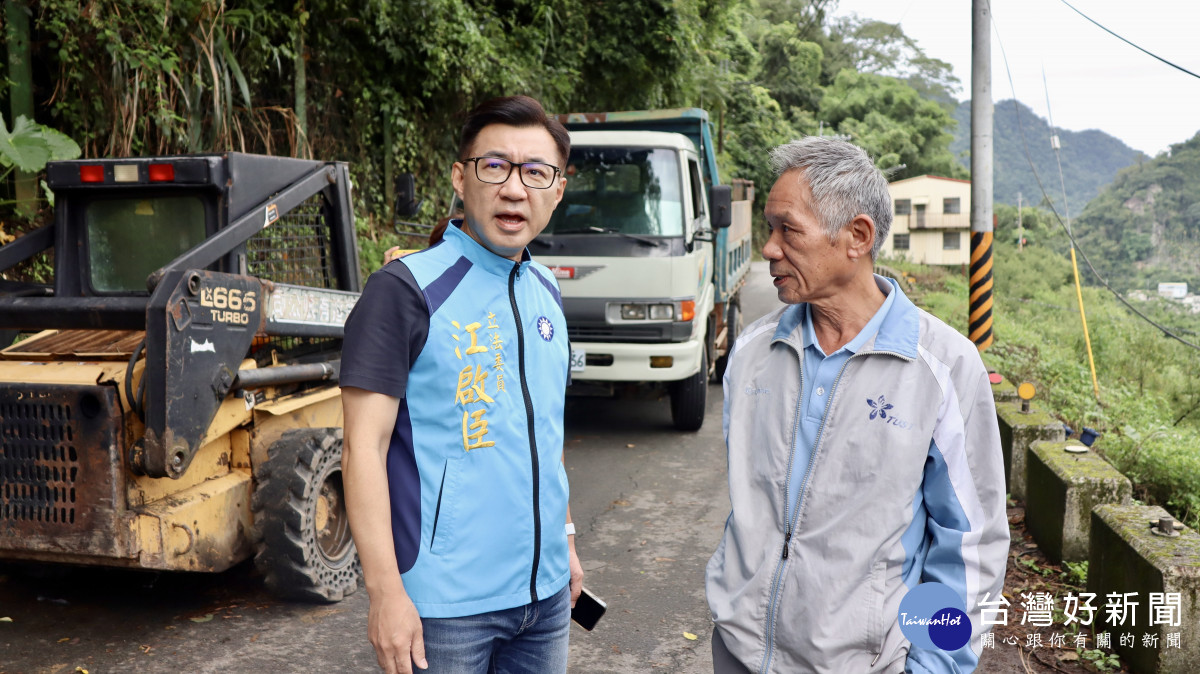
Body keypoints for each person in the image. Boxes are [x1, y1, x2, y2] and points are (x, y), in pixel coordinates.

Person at [705, 136, 1008, 673]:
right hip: (739, 652)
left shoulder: (942, 367)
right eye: (769, 229)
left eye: (787, 230)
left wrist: (934, 667)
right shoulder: (752, 351)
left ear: (857, 237)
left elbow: (969, 548)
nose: (769, 248)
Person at [341, 95, 582, 674]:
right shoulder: (404, 291)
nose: (515, 188)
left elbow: (545, 436)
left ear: (557, 189)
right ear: (460, 176)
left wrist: (566, 543)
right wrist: (385, 593)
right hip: (444, 611)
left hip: (545, 601)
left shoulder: (545, 289)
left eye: (535, 172)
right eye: (494, 165)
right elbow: (362, 449)